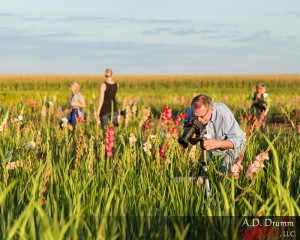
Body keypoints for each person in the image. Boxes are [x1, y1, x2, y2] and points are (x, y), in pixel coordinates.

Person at [185, 94, 246, 174]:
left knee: (224, 169)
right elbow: (193, 141)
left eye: (202, 116)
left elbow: (238, 141)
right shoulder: (191, 114)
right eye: (196, 116)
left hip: (231, 148)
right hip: (211, 151)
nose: (199, 120)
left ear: (211, 109)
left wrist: (217, 143)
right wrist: (191, 136)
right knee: (202, 172)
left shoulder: (223, 113)